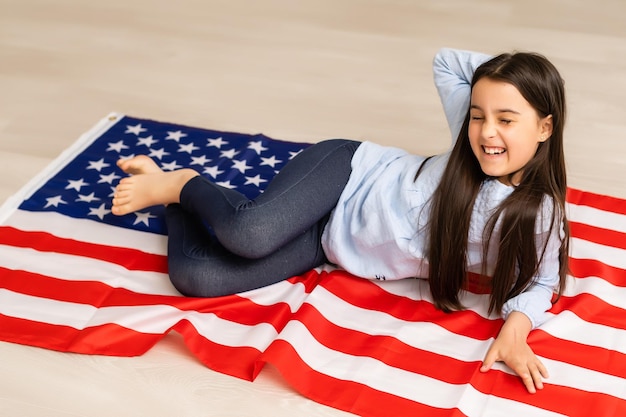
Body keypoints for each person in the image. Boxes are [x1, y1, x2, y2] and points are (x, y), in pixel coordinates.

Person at [111, 48, 569, 394]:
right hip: (345, 173)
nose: (487, 132)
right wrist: (505, 74)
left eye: (507, 120)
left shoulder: (539, 215)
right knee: (249, 233)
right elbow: (447, 61)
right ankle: (186, 184)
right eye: (478, 115)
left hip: (332, 241)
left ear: (544, 128)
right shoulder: (470, 139)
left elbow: (542, 283)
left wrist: (515, 327)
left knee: (197, 275)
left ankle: (170, 194)